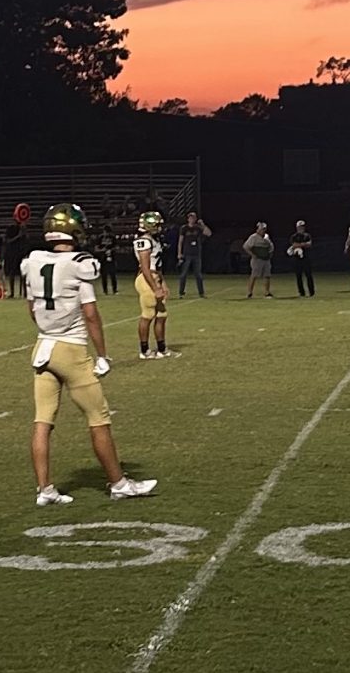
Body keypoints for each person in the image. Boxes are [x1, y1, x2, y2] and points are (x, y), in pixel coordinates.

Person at [21, 203, 156, 506]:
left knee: (42, 421)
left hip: (42, 347)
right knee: (98, 418)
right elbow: (91, 314)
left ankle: (44, 489)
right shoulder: (80, 263)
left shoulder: (32, 261)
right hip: (70, 349)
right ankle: (119, 483)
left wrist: (49, 328)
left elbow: (31, 309)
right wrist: (103, 355)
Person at [131, 210, 174, 359]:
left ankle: (162, 349)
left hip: (155, 278)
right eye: (157, 224)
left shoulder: (153, 240)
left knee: (162, 315)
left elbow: (157, 265)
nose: (160, 227)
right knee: (148, 315)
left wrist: (163, 283)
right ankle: (144, 351)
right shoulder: (144, 241)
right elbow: (145, 267)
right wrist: (155, 287)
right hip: (146, 279)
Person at [176, 210, 212, 297]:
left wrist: (202, 225)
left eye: (193, 218)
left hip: (196, 254)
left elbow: (208, 233)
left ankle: (201, 293)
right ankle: (181, 292)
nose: (192, 219)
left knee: (198, 275)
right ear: (188, 219)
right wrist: (179, 253)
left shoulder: (198, 228)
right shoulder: (184, 228)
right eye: (190, 217)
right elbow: (180, 241)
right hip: (187, 253)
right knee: (183, 274)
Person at [242, 221, 276, 298]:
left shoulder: (267, 237)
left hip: (266, 259)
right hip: (257, 259)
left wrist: (270, 254)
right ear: (257, 229)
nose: (263, 231)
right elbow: (246, 247)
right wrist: (253, 255)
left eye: (264, 229)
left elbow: (271, 247)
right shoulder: (253, 237)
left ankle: (267, 292)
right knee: (254, 275)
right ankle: (250, 292)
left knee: (267, 275)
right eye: (261, 229)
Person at [288, 219, 317, 297]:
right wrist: (303, 244)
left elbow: (309, 244)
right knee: (298, 276)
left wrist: (299, 245)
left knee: (308, 275)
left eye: (302, 227)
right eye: (300, 227)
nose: (301, 228)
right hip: (297, 259)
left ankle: (311, 292)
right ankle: (301, 292)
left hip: (306, 258)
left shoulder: (307, 235)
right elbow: (294, 245)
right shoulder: (294, 236)